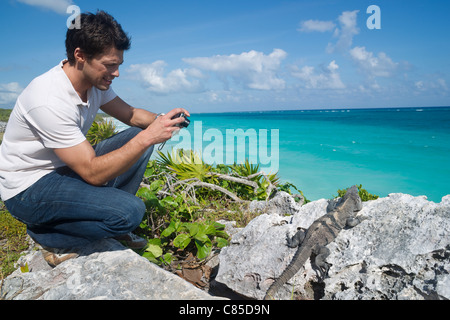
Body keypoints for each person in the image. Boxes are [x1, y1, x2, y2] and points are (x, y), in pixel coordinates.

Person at [0, 10, 189, 267]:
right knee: (131, 211)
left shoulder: (94, 84)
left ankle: (106, 217)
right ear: (80, 56)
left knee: (138, 134)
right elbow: (92, 173)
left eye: (119, 64)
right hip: (28, 189)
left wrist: (163, 120)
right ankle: (46, 234)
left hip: (64, 169)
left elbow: (132, 116)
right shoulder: (47, 99)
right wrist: (149, 138)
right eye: (110, 64)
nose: (117, 73)